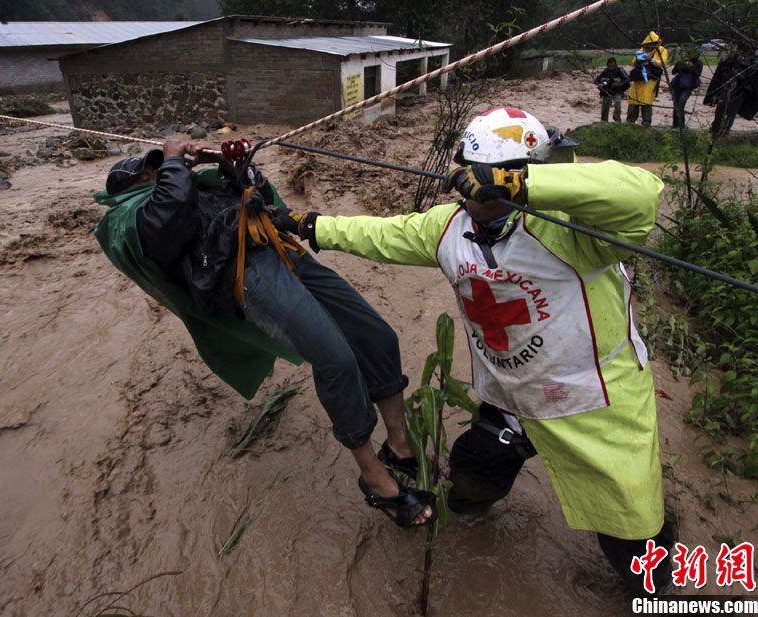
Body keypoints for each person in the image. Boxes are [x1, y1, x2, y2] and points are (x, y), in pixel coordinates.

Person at [271, 106, 674, 594]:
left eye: (494, 177)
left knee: (634, 541)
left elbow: (640, 193)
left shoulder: (577, 230)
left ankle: (659, 589)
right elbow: (378, 234)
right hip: (511, 398)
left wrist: (518, 188)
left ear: (531, 174)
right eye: (469, 171)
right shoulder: (446, 228)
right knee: (469, 484)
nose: (474, 192)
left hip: (593, 401)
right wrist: (303, 222)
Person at [93, 136, 432, 528]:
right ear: (130, 190)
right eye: (147, 173)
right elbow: (168, 219)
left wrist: (228, 163)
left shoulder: (189, 187)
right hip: (246, 275)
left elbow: (259, 195)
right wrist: (172, 161)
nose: (156, 173)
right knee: (335, 360)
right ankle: (373, 476)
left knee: (378, 335)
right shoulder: (133, 219)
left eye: (157, 167)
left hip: (278, 248)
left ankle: (399, 443)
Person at [704, 45, 758, 137]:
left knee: (731, 112)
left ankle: (724, 130)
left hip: (740, 92)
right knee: (721, 109)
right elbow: (720, 75)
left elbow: (749, 79)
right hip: (727, 89)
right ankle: (716, 128)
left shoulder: (751, 63)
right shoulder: (728, 61)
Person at [626, 32, 669, 127]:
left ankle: (646, 122)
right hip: (638, 78)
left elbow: (663, 61)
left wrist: (653, 61)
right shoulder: (642, 50)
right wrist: (640, 59)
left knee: (646, 100)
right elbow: (633, 62)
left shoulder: (661, 50)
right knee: (633, 100)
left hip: (650, 78)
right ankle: (630, 121)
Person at [669, 49, 704, 128]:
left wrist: (691, 67)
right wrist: (679, 66)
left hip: (687, 87)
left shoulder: (698, 63)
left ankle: (681, 126)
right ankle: (675, 125)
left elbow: (697, 75)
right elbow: (673, 72)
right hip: (677, 86)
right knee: (676, 106)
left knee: (681, 105)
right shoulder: (683, 61)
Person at [593, 57, 630, 122]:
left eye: (613, 66)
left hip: (617, 91)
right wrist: (600, 83)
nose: (611, 68)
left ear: (616, 65)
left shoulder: (620, 70)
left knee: (617, 104)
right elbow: (597, 79)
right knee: (605, 107)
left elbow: (627, 79)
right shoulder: (606, 71)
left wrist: (619, 84)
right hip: (606, 91)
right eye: (609, 66)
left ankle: (617, 119)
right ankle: (604, 121)